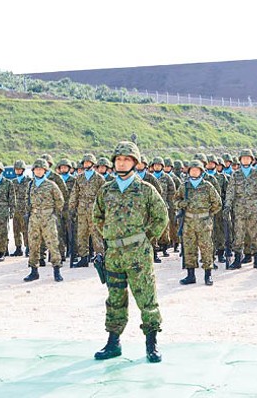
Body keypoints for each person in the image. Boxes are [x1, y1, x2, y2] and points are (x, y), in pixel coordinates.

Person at [93, 141, 168, 363]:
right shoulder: (106, 190)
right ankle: (113, 342)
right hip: (114, 254)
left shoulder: (145, 189)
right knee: (115, 298)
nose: (122, 162)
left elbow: (161, 217)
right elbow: (97, 216)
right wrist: (112, 236)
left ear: (135, 162)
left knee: (146, 297)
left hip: (138, 255)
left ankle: (151, 343)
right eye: (118, 159)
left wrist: (145, 239)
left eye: (126, 159)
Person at [174, 160, 222, 285]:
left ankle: (208, 275)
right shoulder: (184, 186)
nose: (194, 172)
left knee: (206, 248)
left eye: (197, 170)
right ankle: (190, 275)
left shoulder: (207, 186)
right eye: (192, 170)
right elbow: (175, 200)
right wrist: (181, 204)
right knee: (189, 248)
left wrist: (208, 214)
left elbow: (217, 203)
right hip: (188, 222)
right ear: (189, 171)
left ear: (201, 171)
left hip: (204, 222)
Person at [224, 149, 257, 270]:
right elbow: (230, 191)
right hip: (239, 209)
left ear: (252, 160)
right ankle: (237, 260)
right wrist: (227, 205)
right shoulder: (236, 174)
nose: (245, 160)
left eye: (248, 158)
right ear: (240, 160)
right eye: (243, 158)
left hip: (252, 209)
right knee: (238, 234)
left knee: (255, 234)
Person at [23, 158, 65, 282]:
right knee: (33, 244)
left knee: (52, 243)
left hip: (48, 217)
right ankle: (33, 271)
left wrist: (53, 214)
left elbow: (60, 200)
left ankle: (57, 270)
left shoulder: (51, 185)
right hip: (34, 218)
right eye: (36, 169)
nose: (38, 171)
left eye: (41, 169)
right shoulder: (30, 185)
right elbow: (27, 200)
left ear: (45, 171)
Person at [68, 154, 106, 268]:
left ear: (93, 164)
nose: (86, 165)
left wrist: (103, 210)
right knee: (81, 234)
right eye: (84, 163)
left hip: (95, 210)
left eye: (88, 163)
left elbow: (103, 195)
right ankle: (83, 257)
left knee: (96, 234)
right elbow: (74, 194)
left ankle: (100, 256)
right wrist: (71, 208)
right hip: (82, 210)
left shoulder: (100, 179)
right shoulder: (79, 178)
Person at [11, 160, 30, 257]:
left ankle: (28, 247)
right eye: (16, 169)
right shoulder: (13, 182)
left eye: (19, 169)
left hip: (25, 208)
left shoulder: (29, 181)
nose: (18, 171)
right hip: (15, 208)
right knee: (16, 229)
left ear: (23, 170)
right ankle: (18, 248)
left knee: (25, 229)